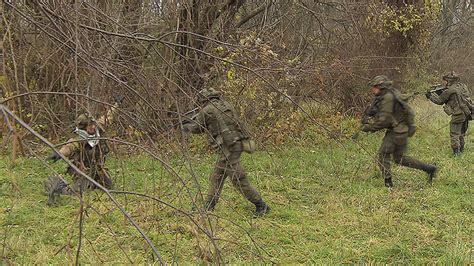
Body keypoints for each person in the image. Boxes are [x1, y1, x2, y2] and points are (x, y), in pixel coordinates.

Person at [182, 88, 270, 215]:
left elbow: (197, 129)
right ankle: (208, 206)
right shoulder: (226, 105)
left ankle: (261, 205)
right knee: (216, 177)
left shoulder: (207, 110)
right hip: (236, 144)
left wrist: (186, 126)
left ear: (203, 99)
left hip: (228, 150)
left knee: (239, 180)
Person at [362, 75, 437, 188]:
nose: (373, 90)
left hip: (396, 132)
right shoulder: (390, 94)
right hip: (401, 130)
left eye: (374, 87)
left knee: (383, 155)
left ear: (380, 87)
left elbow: (384, 121)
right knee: (400, 158)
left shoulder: (387, 97)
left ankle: (388, 184)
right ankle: (429, 168)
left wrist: (368, 127)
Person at [44, 99, 120, 205]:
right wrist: (59, 154)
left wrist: (117, 105)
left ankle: (94, 182)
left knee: (109, 185)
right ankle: (56, 184)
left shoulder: (98, 129)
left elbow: (108, 117)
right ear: (83, 127)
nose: (93, 127)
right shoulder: (79, 138)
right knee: (74, 192)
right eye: (90, 125)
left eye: (93, 124)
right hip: (83, 171)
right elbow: (69, 146)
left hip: (97, 169)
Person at [426, 72, 472, 155]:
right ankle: (461, 149)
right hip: (466, 113)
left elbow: (439, 101)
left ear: (451, 81)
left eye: (447, 81)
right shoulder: (463, 86)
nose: (446, 83)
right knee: (461, 133)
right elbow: (456, 98)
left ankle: (456, 153)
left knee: (454, 133)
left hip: (458, 114)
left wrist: (430, 96)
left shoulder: (450, 90)